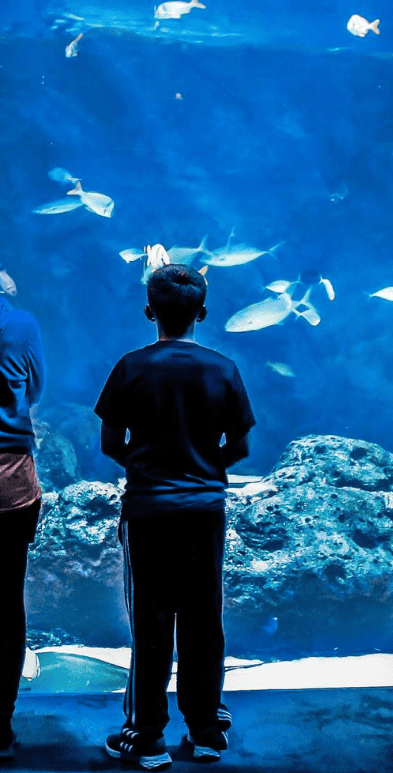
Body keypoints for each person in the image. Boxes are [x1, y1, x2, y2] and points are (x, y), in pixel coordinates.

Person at [96, 265, 255, 770]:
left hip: (148, 511)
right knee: (205, 615)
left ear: (149, 311)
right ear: (203, 314)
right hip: (204, 510)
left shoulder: (130, 367)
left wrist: (151, 468)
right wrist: (202, 468)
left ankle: (147, 737)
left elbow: (109, 443)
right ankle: (207, 729)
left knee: (151, 619)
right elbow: (242, 446)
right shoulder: (223, 369)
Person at [0, 294, 45, 760]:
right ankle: (0, 729)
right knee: (7, 605)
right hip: (9, 479)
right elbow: (34, 389)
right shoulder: (21, 322)